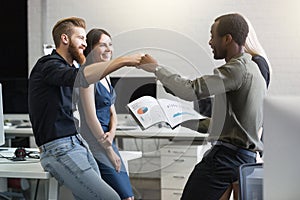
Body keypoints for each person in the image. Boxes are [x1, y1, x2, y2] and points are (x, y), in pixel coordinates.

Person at [138, 13, 266, 200]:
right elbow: (232, 125)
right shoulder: (252, 69)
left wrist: (156, 69)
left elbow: (190, 91)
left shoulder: (236, 70)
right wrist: (182, 119)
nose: (210, 42)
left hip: (225, 158)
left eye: (213, 36)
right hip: (242, 159)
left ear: (227, 39)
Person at [28, 16, 144, 200]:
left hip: (77, 143)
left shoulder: (65, 67)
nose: (84, 44)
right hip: (60, 148)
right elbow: (80, 77)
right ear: (65, 39)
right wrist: (123, 61)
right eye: (81, 38)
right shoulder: (48, 66)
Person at [78, 28, 134, 200]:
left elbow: (112, 111)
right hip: (95, 141)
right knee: (123, 196)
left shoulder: (106, 75)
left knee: (126, 195)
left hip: (108, 139)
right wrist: (108, 149)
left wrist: (112, 133)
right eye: (102, 45)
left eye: (110, 44)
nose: (108, 49)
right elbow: (90, 117)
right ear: (91, 49)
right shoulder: (86, 75)